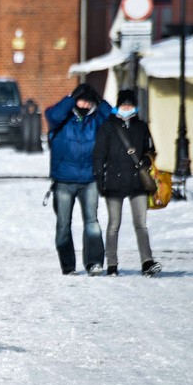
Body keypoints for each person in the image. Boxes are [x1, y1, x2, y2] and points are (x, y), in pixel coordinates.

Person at [92, 89, 162, 277]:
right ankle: (112, 264)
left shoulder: (141, 126)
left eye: (129, 105)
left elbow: (150, 149)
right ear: (118, 106)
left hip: (137, 182)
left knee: (141, 224)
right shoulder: (107, 127)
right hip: (114, 182)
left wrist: (146, 161)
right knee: (114, 224)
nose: (126, 108)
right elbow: (99, 154)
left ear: (134, 106)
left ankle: (147, 262)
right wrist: (99, 177)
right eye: (124, 105)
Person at [44, 83, 112, 276]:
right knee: (64, 224)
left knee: (92, 222)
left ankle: (94, 263)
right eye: (81, 99)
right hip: (63, 181)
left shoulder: (97, 120)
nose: (85, 104)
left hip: (89, 180)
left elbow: (113, 119)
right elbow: (52, 115)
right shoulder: (62, 118)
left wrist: (100, 100)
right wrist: (71, 98)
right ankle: (68, 266)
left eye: (88, 100)